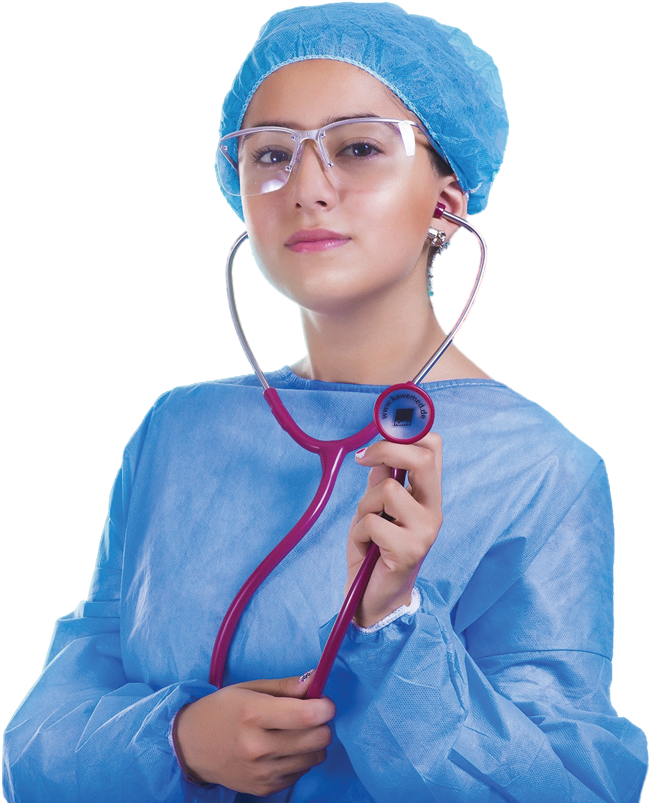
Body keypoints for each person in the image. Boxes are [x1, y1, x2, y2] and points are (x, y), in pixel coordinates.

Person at [3, 4, 648, 802]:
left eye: (359, 148)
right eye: (272, 153)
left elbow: (567, 785)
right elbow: (38, 743)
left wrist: (393, 623)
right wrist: (181, 740)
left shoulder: (533, 463)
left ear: (445, 203)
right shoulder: (175, 435)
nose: (307, 188)